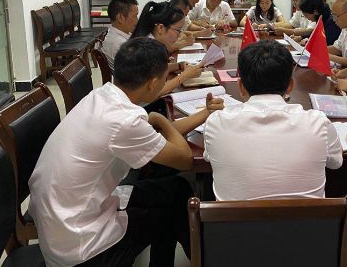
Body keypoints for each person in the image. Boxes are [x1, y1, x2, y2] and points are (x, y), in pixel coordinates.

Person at [28, 38, 225, 267]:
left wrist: (204, 113)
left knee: (176, 190)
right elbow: (185, 160)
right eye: (164, 79)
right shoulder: (124, 121)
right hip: (82, 246)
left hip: (65, 217)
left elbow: (160, 138)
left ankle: (199, 258)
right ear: (152, 84)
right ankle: (207, 260)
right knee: (170, 212)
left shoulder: (103, 97)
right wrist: (160, 119)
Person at [203, 40, 343, 200]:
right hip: (309, 217)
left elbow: (209, 157)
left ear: (240, 86)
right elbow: (336, 163)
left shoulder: (216, 123)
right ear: (290, 86)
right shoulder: (318, 123)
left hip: (234, 217)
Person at [131, 1, 202, 95]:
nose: (180, 35)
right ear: (160, 28)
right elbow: (154, 92)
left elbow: (157, 69)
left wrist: (179, 65)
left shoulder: (149, 41)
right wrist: (185, 76)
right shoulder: (147, 50)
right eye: (178, 30)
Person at [101, 0, 139, 72]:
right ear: (120, 18)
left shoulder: (116, 35)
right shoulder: (120, 44)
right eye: (135, 16)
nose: (137, 20)